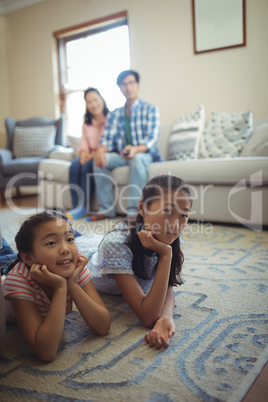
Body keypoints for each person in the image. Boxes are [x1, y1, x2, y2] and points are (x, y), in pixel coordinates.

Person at [76, 175, 192, 348]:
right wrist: (166, 255)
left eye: (183, 215)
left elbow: (167, 285)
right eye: (168, 211)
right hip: (87, 253)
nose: (176, 224)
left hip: (102, 243)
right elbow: (147, 316)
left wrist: (166, 316)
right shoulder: (115, 245)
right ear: (142, 208)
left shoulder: (169, 236)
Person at [1, 211, 110, 361]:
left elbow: (103, 326)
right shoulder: (18, 280)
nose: (65, 249)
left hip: (29, 260)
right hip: (7, 274)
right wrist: (60, 288)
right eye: (51, 243)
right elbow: (45, 352)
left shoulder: (74, 267)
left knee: (6, 253)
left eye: (70, 239)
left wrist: (71, 283)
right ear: (28, 257)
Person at [88, 70, 162, 221]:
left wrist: (135, 149)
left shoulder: (151, 109)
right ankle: (106, 209)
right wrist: (101, 151)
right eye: (123, 84)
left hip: (145, 154)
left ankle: (134, 213)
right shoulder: (115, 114)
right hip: (123, 155)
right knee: (100, 159)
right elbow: (107, 139)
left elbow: (151, 139)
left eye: (131, 83)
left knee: (137, 159)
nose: (128, 87)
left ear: (138, 85)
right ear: (120, 88)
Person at [67, 87, 109, 220]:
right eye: (89, 101)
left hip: (102, 154)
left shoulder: (111, 119)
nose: (93, 104)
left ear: (102, 100)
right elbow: (84, 143)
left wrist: (90, 156)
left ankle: (84, 206)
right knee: (74, 165)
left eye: (95, 100)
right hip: (89, 154)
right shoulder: (87, 123)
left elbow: (109, 144)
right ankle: (77, 207)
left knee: (86, 167)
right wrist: (84, 153)